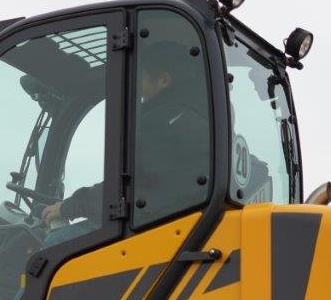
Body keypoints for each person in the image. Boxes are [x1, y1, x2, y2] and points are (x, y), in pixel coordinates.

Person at [40, 39, 209, 238]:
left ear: (163, 81)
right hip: (171, 221)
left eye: (141, 78)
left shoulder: (162, 122)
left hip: (153, 225)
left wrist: (71, 206)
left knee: (55, 241)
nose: (136, 85)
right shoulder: (199, 118)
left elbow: (125, 189)